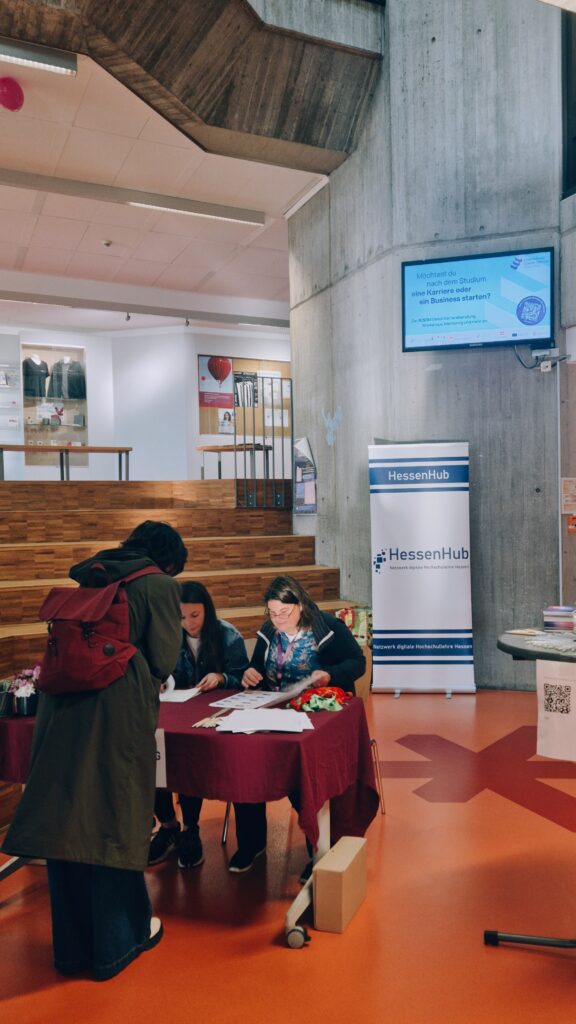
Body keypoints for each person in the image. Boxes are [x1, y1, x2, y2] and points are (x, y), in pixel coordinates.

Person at [2, 520, 187, 981]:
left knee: (67, 822)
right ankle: (116, 946)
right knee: (113, 818)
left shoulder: (92, 575)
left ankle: (71, 951)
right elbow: (164, 659)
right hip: (115, 713)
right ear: (167, 561)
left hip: (60, 711)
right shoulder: (159, 585)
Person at [231, 574, 366, 876]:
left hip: (314, 716)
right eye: (273, 613)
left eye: (284, 612)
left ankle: (317, 849)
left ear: (300, 606)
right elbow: (256, 667)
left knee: (302, 777)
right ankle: (252, 842)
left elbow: (358, 662)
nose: (278, 620)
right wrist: (250, 673)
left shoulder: (326, 628)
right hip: (272, 713)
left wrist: (330, 675)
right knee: (245, 764)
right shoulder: (269, 631)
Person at [148, 580, 249, 869]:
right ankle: (168, 826)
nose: (189, 623)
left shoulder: (228, 636)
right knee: (154, 755)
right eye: (181, 617)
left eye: (195, 615)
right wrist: (158, 680)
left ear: (208, 610)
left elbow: (244, 679)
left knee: (187, 760)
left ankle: (190, 828)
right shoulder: (166, 635)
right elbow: (155, 670)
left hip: (209, 720)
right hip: (171, 714)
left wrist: (221, 677)